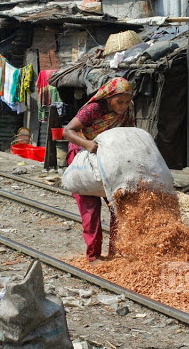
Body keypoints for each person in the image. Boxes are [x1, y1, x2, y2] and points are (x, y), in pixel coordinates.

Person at [63, 77, 135, 262]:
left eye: (127, 102)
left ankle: (116, 253)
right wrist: (87, 144)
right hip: (84, 157)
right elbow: (67, 131)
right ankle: (93, 256)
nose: (123, 106)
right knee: (90, 207)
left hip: (109, 157)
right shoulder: (95, 109)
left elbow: (129, 133)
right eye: (119, 102)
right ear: (109, 98)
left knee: (117, 205)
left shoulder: (127, 112)